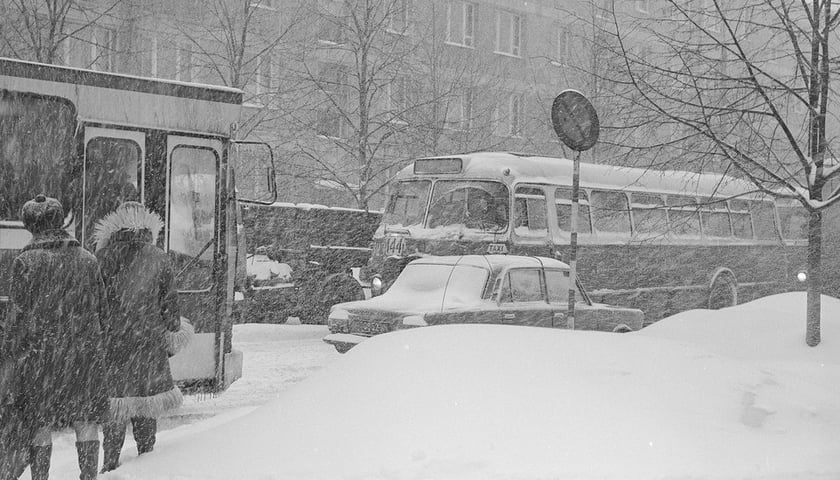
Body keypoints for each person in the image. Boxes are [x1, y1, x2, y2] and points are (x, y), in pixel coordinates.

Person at [3, 194, 108, 480]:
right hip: (84, 357)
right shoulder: (88, 259)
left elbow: (17, 319)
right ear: (60, 220)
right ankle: (88, 476)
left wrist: (10, 354)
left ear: (30, 226)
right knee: (85, 420)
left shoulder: (26, 262)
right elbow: (103, 310)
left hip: (41, 359)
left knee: (40, 424)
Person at [93, 201, 187, 473]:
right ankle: (146, 461)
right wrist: (169, 337)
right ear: (148, 226)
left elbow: (94, 304)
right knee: (146, 406)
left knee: (116, 407)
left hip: (113, 344)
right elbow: (170, 308)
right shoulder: (159, 257)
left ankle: (110, 463)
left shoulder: (101, 258)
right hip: (148, 343)